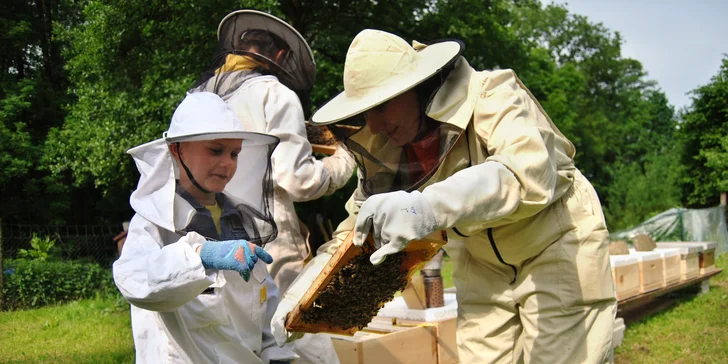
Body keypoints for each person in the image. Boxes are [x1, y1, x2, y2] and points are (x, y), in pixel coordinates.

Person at [272, 29, 617, 364]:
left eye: (381, 106)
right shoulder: (387, 147)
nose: (374, 125)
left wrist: (428, 206)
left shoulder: (492, 94)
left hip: (556, 245)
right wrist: (303, 289)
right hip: (483, 265)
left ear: (414, 88)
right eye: (365, 113)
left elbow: (525, 172)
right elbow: (358, 226)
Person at [191, 10, 352, 364]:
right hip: (269, 242)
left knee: (240, 346)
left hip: (207, 240)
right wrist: (344, 162)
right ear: (280, 56)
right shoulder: (274, 94)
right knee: (305, 343)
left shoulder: (198, 98)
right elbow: (299, 180)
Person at [113, 92, 298, 364]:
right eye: (216, 150)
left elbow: (262, 299)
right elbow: (133, 280)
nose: (228, 163)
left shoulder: (240, 219)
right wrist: (199, 255)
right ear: (178, 150)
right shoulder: (155, 219)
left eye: (235, 153)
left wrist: (275, 352)